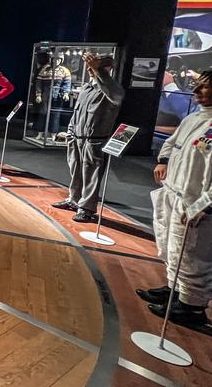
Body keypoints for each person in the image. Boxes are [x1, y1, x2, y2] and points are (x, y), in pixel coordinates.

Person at [134, 70, 212, 327]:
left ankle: (192, 306)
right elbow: (172, 142)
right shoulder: (195, 118)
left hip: (197, 202)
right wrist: (164, 160)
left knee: (192, 254)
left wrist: (204, 205)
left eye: (205, 88)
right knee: (174, 246)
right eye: (197, 87)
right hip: (176, 191)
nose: (197, 92)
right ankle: (175, 290)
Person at [51, 53, 124, 223]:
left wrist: (100, 71)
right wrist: (70, 132)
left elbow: (117, 97)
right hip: (77, 137)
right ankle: (74, 200)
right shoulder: (86, 88)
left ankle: (87, 208)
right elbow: (77, 112)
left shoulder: (111, 89)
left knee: (91, 175)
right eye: (92, 65)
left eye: (99, 65)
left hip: (94, 140)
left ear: (109, 68)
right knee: (75, 170)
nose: (92, 69)